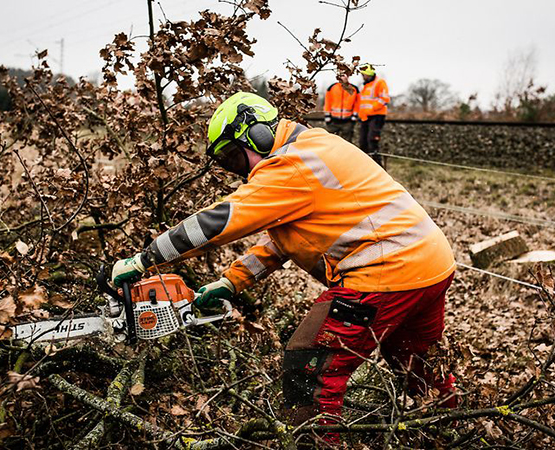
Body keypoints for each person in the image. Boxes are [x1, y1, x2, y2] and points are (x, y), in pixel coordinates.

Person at [111, 92, 457, 440]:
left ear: (256, 134)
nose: (238, 169)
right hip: (431, 267)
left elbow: (218, 223)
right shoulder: (312, 148)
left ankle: (319, 445)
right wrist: (231, 282)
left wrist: (144, 258)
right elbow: (284, 242)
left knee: (309, 366)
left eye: (233, 156)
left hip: (387, 273)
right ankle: (452, 426)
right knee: (417, 361)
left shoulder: (291, 165)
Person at [357, 63, 390, 166]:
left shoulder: (380, 82)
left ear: (369, 74)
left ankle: (378, 166)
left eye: (364, 74)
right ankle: (365, 166)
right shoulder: (366, 86)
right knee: (363, 143)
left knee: (372, 142)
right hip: (365, 117)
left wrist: (371, 109)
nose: (362, 76)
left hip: (376, 116)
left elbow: (384, 98)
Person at [323, 73, 360, 142]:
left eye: (345, 75)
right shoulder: (332, 88)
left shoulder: (354, 89)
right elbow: (327, 103)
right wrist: (327, 117)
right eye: (342, 75)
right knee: (330, 142)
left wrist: (354, 117)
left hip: (348, 121)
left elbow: (357, 104)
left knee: (347, 143)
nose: (343, 77)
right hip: (333, 121)